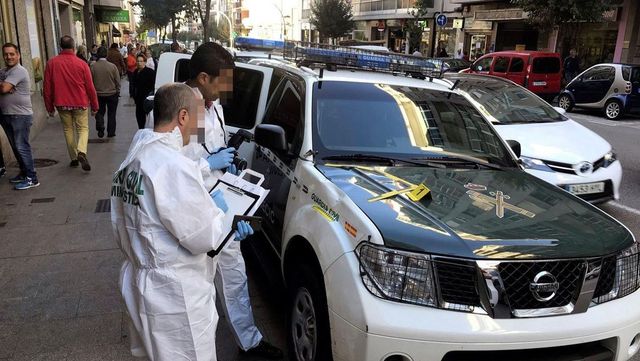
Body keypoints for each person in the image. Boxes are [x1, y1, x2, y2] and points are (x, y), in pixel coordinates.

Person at [112, 82, 254, 361]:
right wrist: (222, 217)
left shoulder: (132, 159)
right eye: (198, 117)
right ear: (183, 117)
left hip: (141, 281)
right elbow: (204, 237)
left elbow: (123, 222)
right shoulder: (173, 166)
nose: (199, 127)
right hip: (176, 294)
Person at [182, 42, 283, 359]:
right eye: (222, 80)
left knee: (235, 272)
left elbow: (211, 149)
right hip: (193, 207)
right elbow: (171, 168)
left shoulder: (213, 107)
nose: (227, 88)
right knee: (199, 283)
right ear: (202, 77)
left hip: (221, 201)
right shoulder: (186, 109)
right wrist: (208, 165)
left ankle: (249, 343)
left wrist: (229, 163)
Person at [44, 35, 99, 172]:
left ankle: (74, 157)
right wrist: (95, 105)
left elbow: (47, 87)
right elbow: (90, 87)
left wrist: (49, 107)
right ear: (74, 48)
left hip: (61, 103)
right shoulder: (82, 64)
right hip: (80, 102)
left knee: (68, 130)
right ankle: (81, 151)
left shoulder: (52, 63)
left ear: (60, 47)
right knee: (83, 129)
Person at [0, 43, 38, 189]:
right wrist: (4, 84)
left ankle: (31, 178)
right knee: (16, 147)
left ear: (18, 55)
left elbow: (4, 88)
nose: (9, 57)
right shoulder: (4, 71)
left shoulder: (19, 71)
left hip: (20, 115)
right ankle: (23, 173)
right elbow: (4, 87)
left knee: (22, 146)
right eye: (6, 54)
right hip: (8, 114)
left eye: (12, 54)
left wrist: (5, 86)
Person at [91, 46, 121, 138]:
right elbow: (117, 80)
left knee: (100, 112)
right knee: (112, 113)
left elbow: (90, 81)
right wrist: (117, 91)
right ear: (106, 54)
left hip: (98, 94)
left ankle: (100, 127)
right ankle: (111, 131)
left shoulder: (93, 67)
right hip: (112, 93)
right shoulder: (112, 67)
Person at [132, 54, 155, 129]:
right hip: (138, 100)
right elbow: (133, 84)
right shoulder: (135, 72)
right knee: (140, 120)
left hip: (147, 99)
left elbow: (153, 85)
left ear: (145, 62)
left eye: (141, 61)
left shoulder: (150, 72)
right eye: (138, 61)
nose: (139, 63)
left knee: (149, 121)